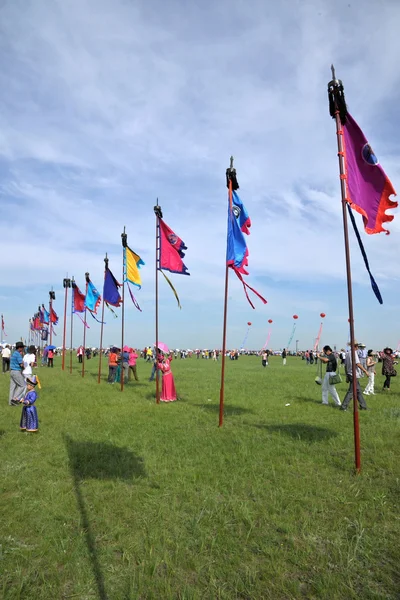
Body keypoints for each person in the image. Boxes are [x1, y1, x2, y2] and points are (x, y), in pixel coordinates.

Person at [340, 341, 369, 411]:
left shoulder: (347, 353)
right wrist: (365, 371)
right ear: (356, 346)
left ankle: (363, 406)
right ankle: (343, 407)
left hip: (350, 374)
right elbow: (358, 363)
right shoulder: (354, 353)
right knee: (351, 392)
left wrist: (347, 375)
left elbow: (345, 366)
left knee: (358, 391)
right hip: (354, 374)